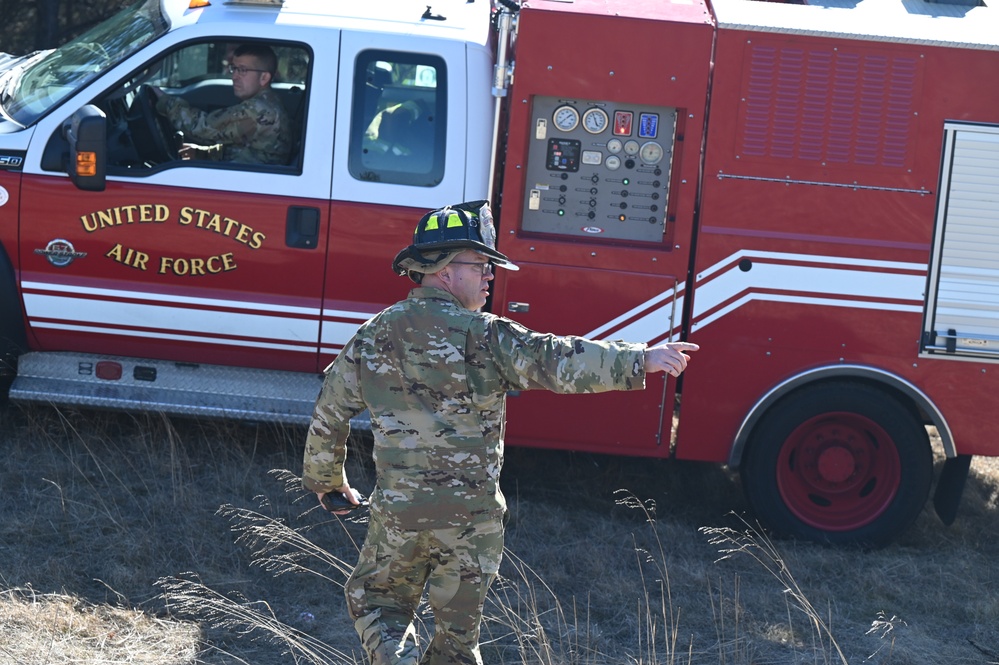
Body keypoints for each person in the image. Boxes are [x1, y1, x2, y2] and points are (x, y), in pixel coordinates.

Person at [302, 200, 698, 665]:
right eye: (482, 264)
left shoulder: (373, 335)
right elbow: (556, 359)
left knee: (377, 607)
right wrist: (639, 359)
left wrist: (326, 482)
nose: (491, 275)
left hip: (399, 515)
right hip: (473, 522)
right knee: (456, 646)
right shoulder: (486, 336)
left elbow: (330, 413)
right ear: (445, 269)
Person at [152, 43, 293, 164]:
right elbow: (241, 148)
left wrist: (166, 101)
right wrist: (202, 154)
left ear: (264, 78)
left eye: (242, 70)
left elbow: (203, 128)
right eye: (234, 68)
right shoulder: (269, 102)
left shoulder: (258, 110)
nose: (234, 76)